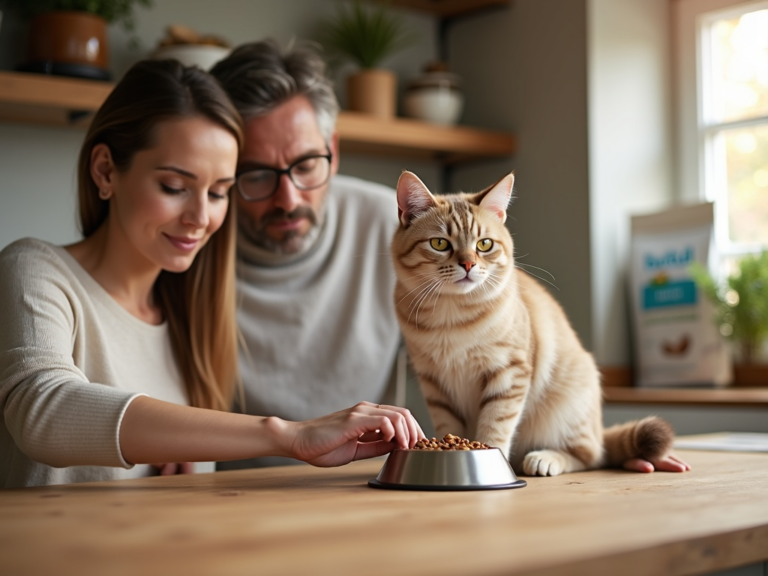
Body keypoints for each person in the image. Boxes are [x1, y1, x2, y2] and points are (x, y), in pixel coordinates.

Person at [0, 59, 423, 489]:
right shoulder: (36, 271)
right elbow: (43, 410)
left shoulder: (191, 312)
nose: (200, 218)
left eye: (219, 191)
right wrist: (288, 434)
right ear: (105, 171)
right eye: (174, 187)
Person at [210, 41, 404, 468]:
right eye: (257, 174)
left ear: (333, 152)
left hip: (364, 496)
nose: (287, 198)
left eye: (306, 165)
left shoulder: (392, 229)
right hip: (227, 503)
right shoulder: (191, 243)